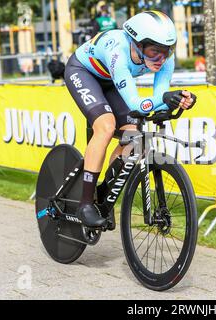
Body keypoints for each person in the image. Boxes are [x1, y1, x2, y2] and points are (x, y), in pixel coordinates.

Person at [64, 11, 197, 228]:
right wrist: (164, 98)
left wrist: (177, 100)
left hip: (112, 81)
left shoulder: (165, 58)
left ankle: (104, 193)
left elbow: (159, 96)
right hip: (83, 72)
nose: (161, 58)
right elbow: (136, 104)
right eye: (155, 51)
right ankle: (86, 203)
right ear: (137, 44)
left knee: (134, 137)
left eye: (167, 51)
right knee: (106, 127)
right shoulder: (118, 50)